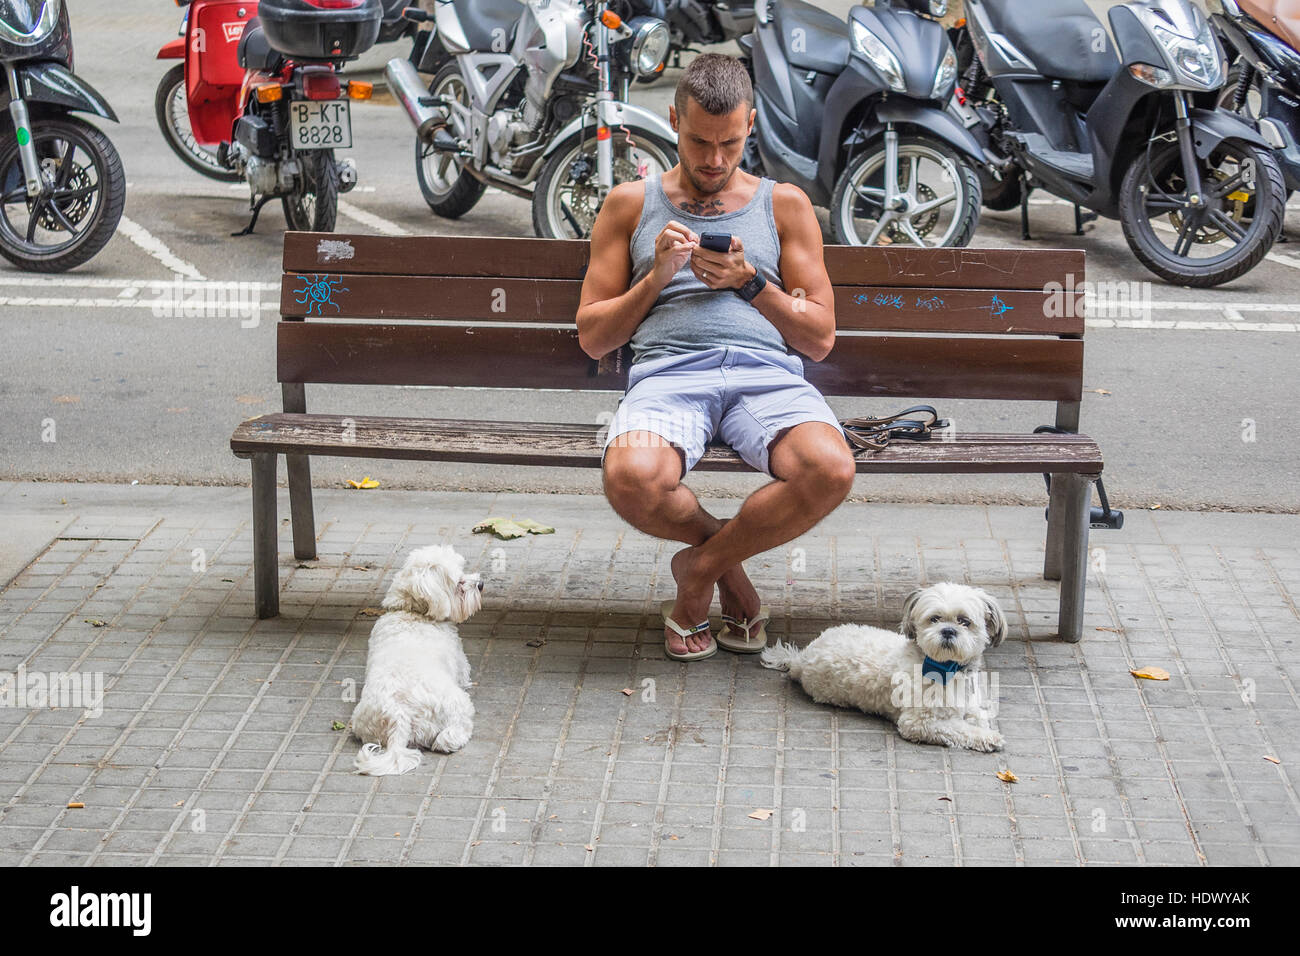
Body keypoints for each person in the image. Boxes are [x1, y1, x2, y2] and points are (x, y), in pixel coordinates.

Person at [576, 53, 856, 662]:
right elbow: (594, 338)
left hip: (766, 374)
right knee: (631, 478)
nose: (713, 160)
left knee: (830, 469)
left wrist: (750, 283)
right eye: (699, 141)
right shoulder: (629, 203)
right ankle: (729, 574)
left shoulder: (784, 206)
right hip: (668, 375)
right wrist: (655, 279)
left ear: (750, 125)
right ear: (673, 119)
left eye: (729, 143)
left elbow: (820, 338)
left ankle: (697, 570)